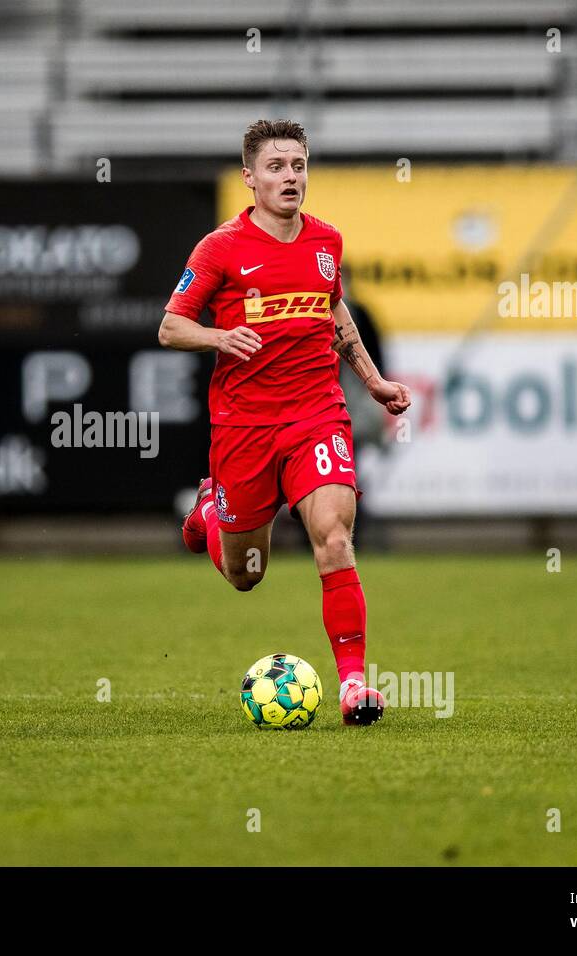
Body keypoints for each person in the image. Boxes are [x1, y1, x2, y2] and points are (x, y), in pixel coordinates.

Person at [158, 119, 411, 725]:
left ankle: (354, 687)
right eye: (276, 167)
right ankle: (208, 512)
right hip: (244, 426)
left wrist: (371, 381)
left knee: (334, 537)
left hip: (317, 413)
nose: (290, 177)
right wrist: (220, 335)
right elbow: (170, 326)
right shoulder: (219, 249)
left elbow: (333, 307)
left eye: (298, 165)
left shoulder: (326, 243)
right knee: (246, 575)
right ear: (250, 178)